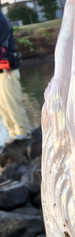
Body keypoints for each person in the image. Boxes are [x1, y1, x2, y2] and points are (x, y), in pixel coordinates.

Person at [0, 10, 31, 143]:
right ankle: (12, 132)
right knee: (3, 105)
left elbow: (4, 42)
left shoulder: (2, 20)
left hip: (7, 68)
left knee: (12, 101)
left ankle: (23, 131)